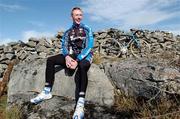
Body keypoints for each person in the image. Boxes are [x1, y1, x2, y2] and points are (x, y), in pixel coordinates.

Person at [30, 7, 94, 119]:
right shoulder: (67, 32)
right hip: (72, 55)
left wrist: (77, 60)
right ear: (72, 17)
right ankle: (47, 91)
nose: (78, 17)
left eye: (80, 15)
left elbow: (89, 47)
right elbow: (64, 46)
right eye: (76, 15)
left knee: (82, 66)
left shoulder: (87, 29)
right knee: (50, 60)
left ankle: (80, 102)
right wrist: (67, 58)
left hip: (85, 55)